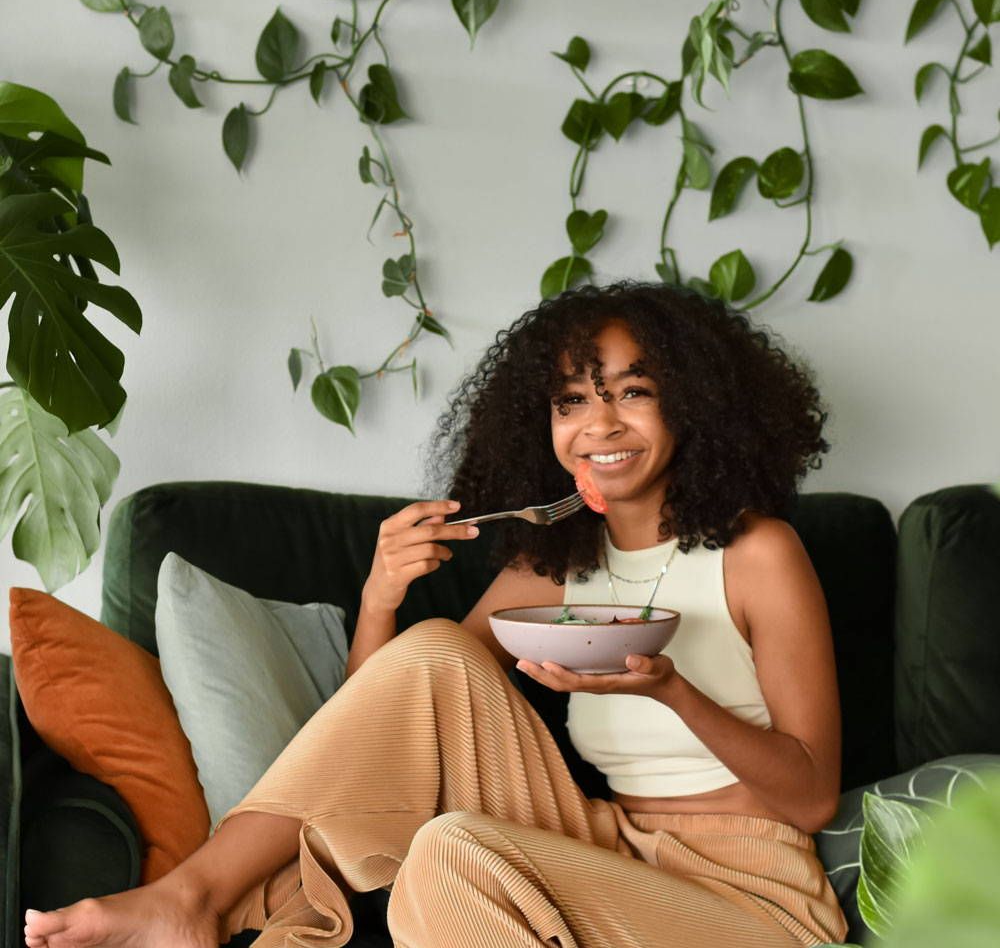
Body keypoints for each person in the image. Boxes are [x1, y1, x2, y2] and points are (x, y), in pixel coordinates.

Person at [24, 281, 849, 948]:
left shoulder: (757, 554)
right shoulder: (556, 560)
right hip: (604, 846)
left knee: (454, 852)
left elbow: (810, 799)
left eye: (633, 393)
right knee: (436, 712)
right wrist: (382, 594)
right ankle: (191, 898)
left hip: (747, 890)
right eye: (571, 402)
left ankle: (196, 901)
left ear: (693, 408)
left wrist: (673, 693)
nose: (600, 424)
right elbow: (384, 725)